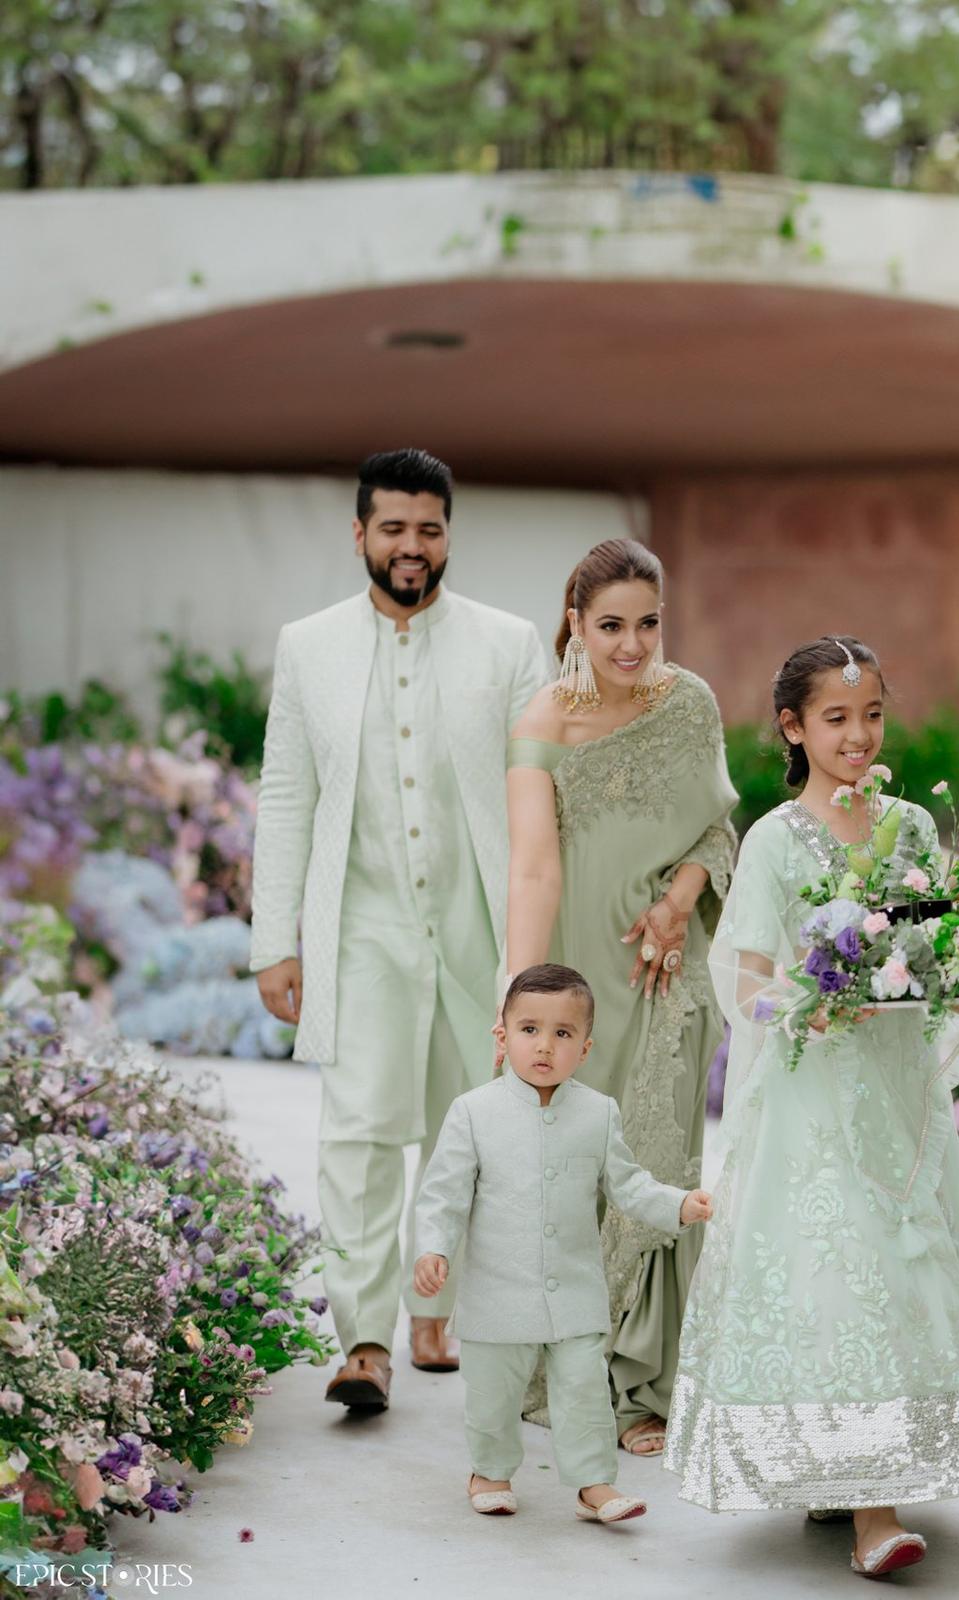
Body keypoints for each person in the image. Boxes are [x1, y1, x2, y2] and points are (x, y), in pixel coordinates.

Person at [663, 635, 959, 1578]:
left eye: (871, 716)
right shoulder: (776, 838)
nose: (858, 736)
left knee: (901, 1271)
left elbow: (937, 946)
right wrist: (813, 1004)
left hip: (896, 1093)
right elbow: (742, 969)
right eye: (836, 719)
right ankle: (873, 1513)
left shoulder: (907, 826)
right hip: (816, 1093)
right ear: (793, 727)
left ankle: (848, 1475)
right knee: (841, 1273)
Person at [249, 448, 546, 1410]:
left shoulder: (509, 644)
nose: (410, 547)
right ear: (360, 534)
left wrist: (537, 950)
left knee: (473, 1133)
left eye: (428, 528)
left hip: (478, 926)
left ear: (448, 533)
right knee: (362, 1134)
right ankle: (365, 1340)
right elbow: (286, 797)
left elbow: (545, 799)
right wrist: (274, 941)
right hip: (364, 927)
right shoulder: (309, 645)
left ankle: (438, 1312)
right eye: (392, 528)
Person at [503, 538, 736, 1455]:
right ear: (575, 623)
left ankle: (646, 1381)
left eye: (648, 622)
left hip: (670, 974)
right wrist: (524, 1008)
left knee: (662, 1158)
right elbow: (532, 870)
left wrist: (681, 902)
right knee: (575, 1164)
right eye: (611, 626)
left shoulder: (691, 705)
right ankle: (572, 1365)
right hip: (577, 978)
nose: (633, 644)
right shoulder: (543, 723)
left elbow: (719, 827)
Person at [413, 963, 714, 1522]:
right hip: (495, 1294)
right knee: (493, 1397)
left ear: (586, 1048)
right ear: (502, 1037)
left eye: (563, 1033)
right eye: (529, 1029)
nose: (544, 1046)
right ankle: (490, 1470)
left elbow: (629, 1185)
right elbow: (443, 1195)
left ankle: (593, 1485)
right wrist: (435, 1249)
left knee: (584, 1393)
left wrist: (677, 1204)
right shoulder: (474, 1113)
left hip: (574, 1290)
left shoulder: (597, 1113)